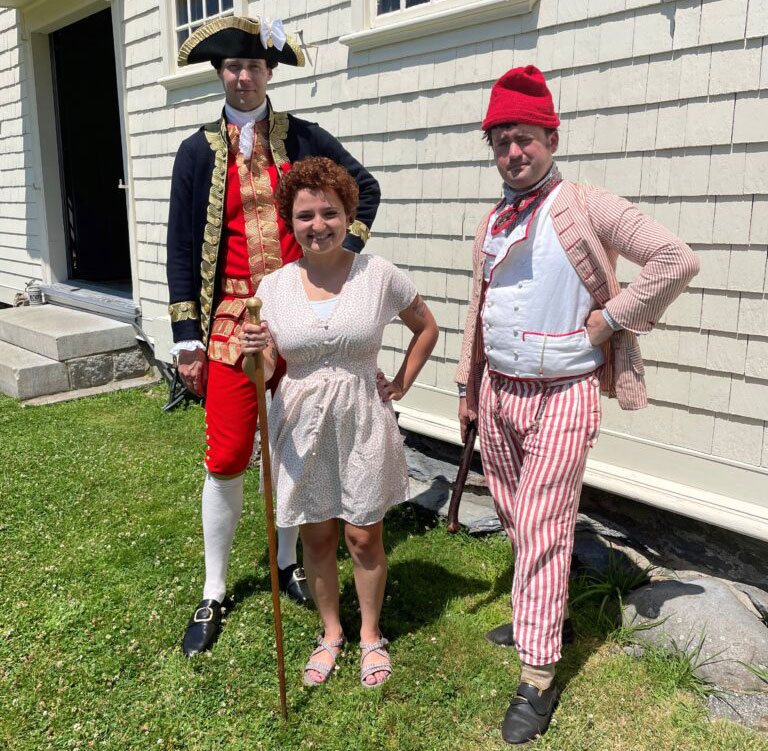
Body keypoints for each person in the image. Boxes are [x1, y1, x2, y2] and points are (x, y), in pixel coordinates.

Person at [455, 66, 699, 744]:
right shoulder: (493, 220)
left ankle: (537, 675)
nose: (513, 152)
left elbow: (674, 259)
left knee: (540, 525)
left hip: (563, 393)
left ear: (552, 137)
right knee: (514, 514)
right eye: (501, 141)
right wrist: (468, 390)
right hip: (499, 391)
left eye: (525, 138)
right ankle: (543, 609)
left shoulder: (587, 204)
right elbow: (479, 309)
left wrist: (607, 321)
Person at [165, 16, 381, 658]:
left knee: (298, 448)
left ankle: (287, 564)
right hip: (231, 319)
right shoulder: (198, 151)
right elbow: (181, 246)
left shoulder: (304, 137)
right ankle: (213, 587)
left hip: (298, 317)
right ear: (219, 74)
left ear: (269, 73)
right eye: (232, 66)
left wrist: (342, 256)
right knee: (230, 454)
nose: (243, 75)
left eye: (254, 66)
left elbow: (364, 190)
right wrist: (185, 337)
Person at [239, 156, 438, 687]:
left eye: (330, 212)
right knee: (318, 535)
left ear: (349, 215)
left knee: (364, 536)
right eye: (305, 215)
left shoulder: (378, 275)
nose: (318, 225)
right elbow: (257, 373)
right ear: (291, 221)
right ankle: (331, 633)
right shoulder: (273, 287)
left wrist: (401, 382)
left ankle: (370, 634)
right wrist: (252, 351)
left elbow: (426, 327)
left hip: (362, 419)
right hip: (300, 423)